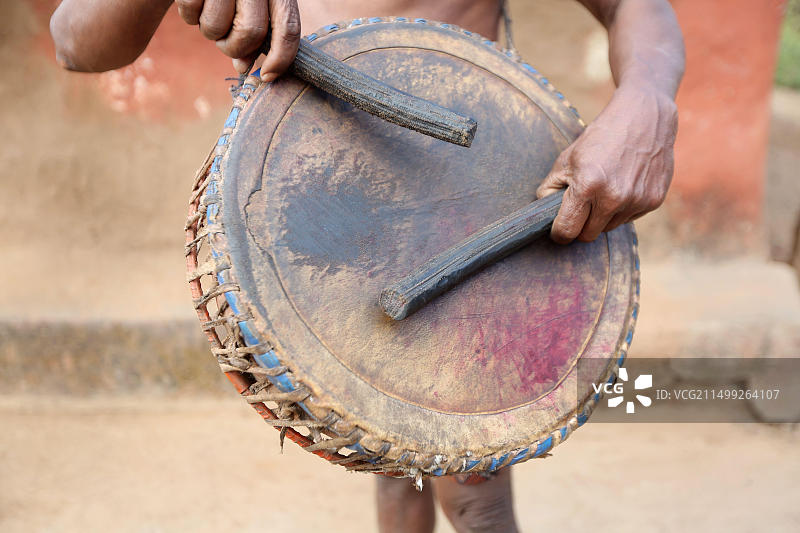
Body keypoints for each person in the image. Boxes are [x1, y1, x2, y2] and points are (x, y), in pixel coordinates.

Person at [50, 1, 684, 531]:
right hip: (326, 228)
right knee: (396, 472)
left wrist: (650, 101)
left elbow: (636, 8)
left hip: (477, 219)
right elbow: (75, 37)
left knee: (476, 499)